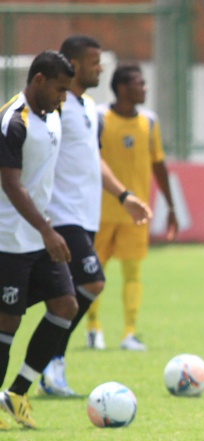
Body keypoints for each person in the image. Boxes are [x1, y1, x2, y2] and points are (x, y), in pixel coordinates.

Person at [38, 36, 152, 395]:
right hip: (59, 215)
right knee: (91, 284)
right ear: (72, 63)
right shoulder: (54, 108)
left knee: (65, 296)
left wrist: (124, 195)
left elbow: (92, 158)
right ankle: (51, 360)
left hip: (86, 217)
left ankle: (49, 362)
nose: (100, 68)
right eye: (93, 62)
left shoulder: (88, 107)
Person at [0, 51, 78, 428]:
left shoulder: (53, 115)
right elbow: (12, 185)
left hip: (39, 234)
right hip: (9, 239)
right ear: (39, 80)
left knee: (65, 305)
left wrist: (48, 226)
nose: (63, 97)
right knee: (7, 324)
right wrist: (47, 230)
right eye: (60, 89)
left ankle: (17, 392)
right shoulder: (13, 121)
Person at [84, 63, 177, 351]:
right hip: (100, 212)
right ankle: (92, 328)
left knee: (133, 273)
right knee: (93, 273)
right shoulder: (99, 117)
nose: (145, 88)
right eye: (140, 83)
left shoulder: (149, 121)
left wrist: (170, 205)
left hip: (137, 212)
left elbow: (158, 164)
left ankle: (128, 333)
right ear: (122, 88)